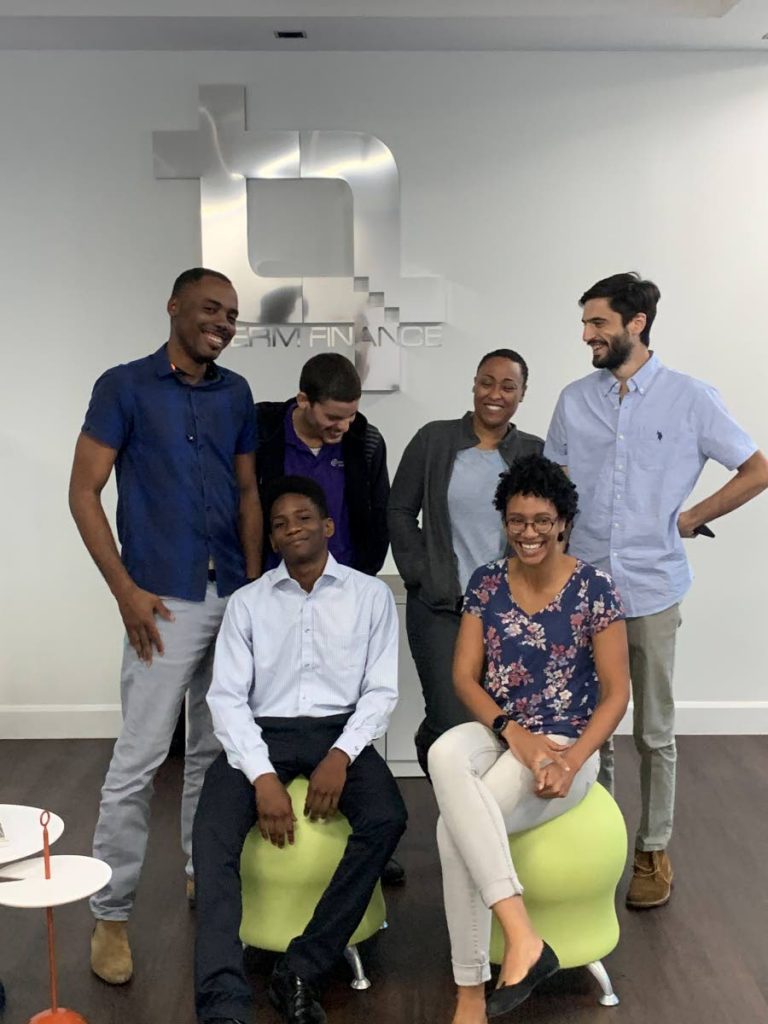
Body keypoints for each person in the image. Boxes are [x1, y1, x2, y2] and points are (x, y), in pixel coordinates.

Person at [544, 272, 768, 909]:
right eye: (585, 323)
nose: (587, 335)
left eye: (597, 324)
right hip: (583, 589)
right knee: (592, 725)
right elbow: (558, 488)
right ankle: (603, 839)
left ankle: (651, 850)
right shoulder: (572, 400)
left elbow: (757, 469)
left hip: (652, 588)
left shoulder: (691, 398)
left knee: (654, 729)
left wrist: (693, 517)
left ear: (635, 323)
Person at [68, 268, 262, 985]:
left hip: (230, 598)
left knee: (215, 754)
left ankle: (198, 874)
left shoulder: (235, 394)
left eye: (233, 314)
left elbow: (249, 492)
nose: (223, 322)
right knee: (141, 760)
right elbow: (82, 490)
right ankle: (111, 915)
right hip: (161, 604)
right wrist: (124, 590)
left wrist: (250, 592)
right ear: (175, 306)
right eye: (212, 308)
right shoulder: (123, 387)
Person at [193, 475, 408, 1024]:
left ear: (328, 526)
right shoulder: (247, 604)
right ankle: (222, 1001)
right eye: (281, 523)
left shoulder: (371, 596)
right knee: (211, 835)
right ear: (272, 538)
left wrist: (341, 755)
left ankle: (302, 967)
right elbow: (227, 699)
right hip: (262, 731)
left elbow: (381, 691)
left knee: (387, 818)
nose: (292, 529)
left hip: (340, 730)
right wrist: (263, 777)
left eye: (303, 518)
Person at [428, 454, 630, 1024]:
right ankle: (523, 935)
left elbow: (616, 694)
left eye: (542, 520)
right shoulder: (487, 582)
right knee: (444, 751)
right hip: (503, 731)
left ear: (563, 521)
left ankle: (470, 991)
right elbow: (464, 677)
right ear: (504, 521)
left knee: (451, 833)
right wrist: (511, 732)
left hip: (569, 745)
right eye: (517, 520)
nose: (529, 533)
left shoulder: (595, 589)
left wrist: (570, 761)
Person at [388, 350, 543, 774]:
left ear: (522, 394)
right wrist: (422, 573)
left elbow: (549, 524)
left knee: (494, 718)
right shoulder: (433, 440)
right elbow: (399, 510)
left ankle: (480, 803)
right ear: (474, 384)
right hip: (439, 607)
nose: (495, 394)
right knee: (451, 719)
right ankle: (445, 772)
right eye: (486, 382)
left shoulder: (532, 452)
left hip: (504, 612)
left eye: (508, 386)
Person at [255, 352, 389, 577]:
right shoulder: (261, 434)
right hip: (272, 585)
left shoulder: (367, 442)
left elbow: (381, 514)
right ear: (304, 401)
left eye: (351, 415)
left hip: (347, 584)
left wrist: (366, 573)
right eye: (333, 417)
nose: (344, 426)